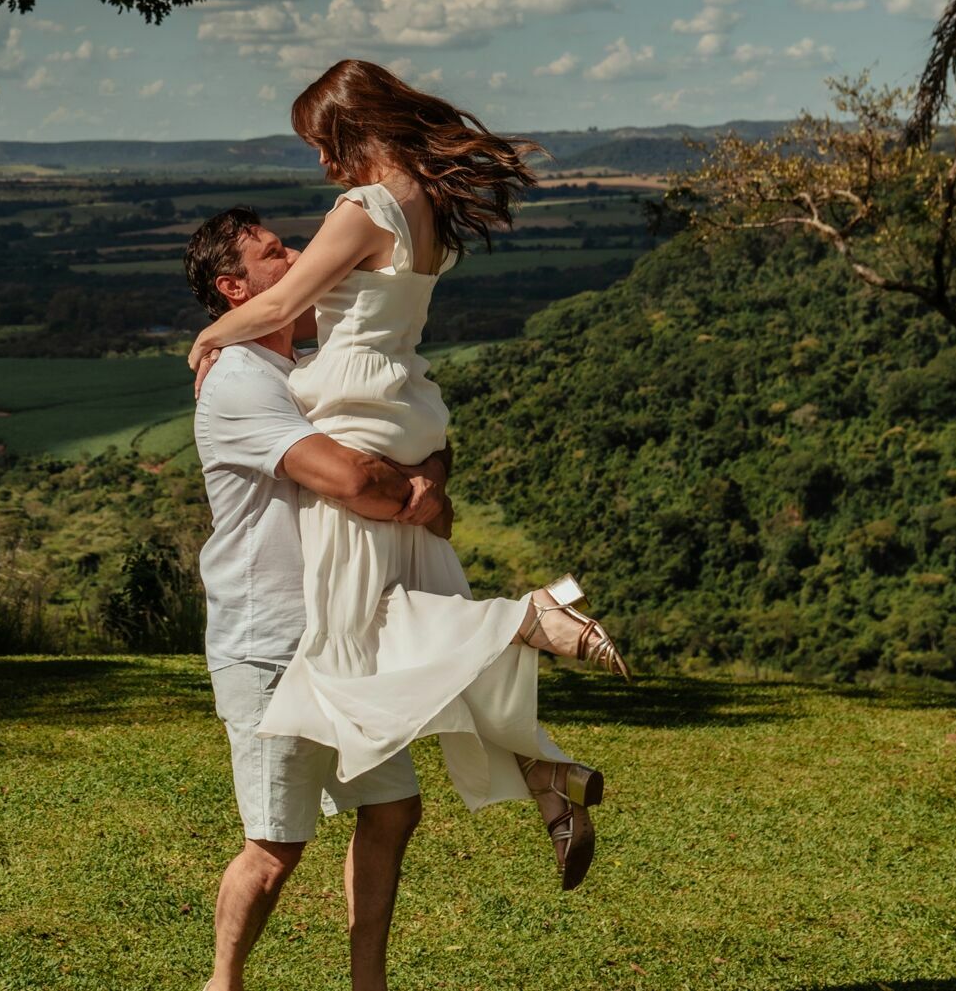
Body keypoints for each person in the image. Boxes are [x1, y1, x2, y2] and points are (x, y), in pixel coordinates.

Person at [187, 59, 626, 895]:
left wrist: (208, 338)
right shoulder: (426, 208)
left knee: (353, 634)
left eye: (324, 143)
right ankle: (544, 773)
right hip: (407, 404)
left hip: (353, 407)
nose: (324, 164)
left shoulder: (363, 208)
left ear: (354, 127)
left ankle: (530, 615)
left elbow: (277, 306)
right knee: (406, 629)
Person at [183, 205, 454, 991]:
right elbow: (351, 478)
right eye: (275, 252)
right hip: (269, 642)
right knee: (275, 847)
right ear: (235, 288)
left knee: (393, 808)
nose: (301, 256)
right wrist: (422, 492)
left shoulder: (307, 369)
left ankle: (367, 983)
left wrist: (425, 474)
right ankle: (222, 983)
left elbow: (414, 433)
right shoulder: (238, 381)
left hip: (339, 631)